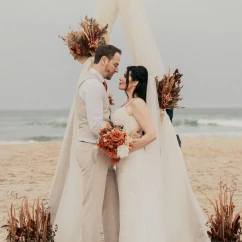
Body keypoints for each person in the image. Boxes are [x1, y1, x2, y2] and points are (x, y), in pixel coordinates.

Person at [111, 65, 209, 242]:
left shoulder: (138, 103)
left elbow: (151, 134)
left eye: (125, 75)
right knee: (127, 207)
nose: (120, 77)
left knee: (136, 205)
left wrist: (126, 148)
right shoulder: (126, 103)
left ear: (134, 82)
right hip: (124, 162)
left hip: (134, 161)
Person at [50, 44, 121, 242]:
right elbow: (96, 124)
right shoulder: (92, 85)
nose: (117, 69)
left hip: (102, 151)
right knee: (92, 206)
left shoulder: (96, 85)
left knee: (111, 205)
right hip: (92, 150)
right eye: (115, 64)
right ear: (104, 60)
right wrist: (121, 137)